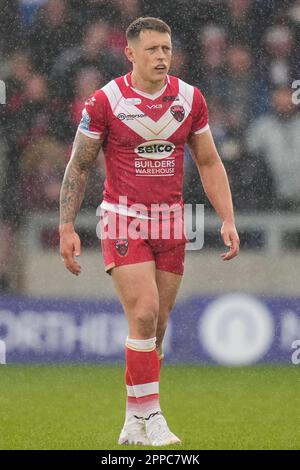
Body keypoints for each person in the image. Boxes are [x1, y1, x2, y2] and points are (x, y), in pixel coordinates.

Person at [59, 17, 240, 447]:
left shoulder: (190, 99)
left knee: (155, 328)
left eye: (167, 49)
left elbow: (209, 162)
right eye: (153, 49)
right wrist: (66, 226)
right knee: (142, 312)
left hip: (172, 221)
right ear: (131, 54)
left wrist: (227, 218)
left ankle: (132, 419)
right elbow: (79, 166)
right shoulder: (105, 101)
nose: (162, 57)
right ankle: (154, 417)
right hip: (123, 217)